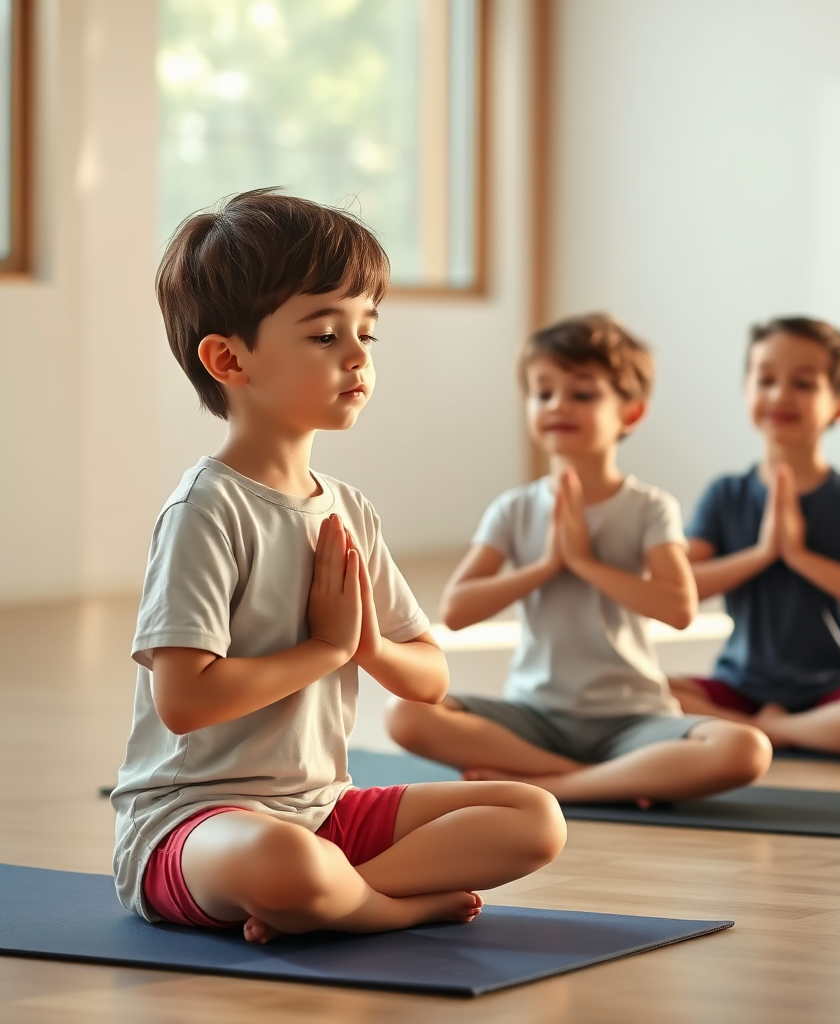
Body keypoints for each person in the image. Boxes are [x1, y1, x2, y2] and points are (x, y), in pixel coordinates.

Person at [111, 189, 566, 945]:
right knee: (285, 862)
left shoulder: (348, 509)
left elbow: (431, 677)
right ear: (230, 359)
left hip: (325, 810)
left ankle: (333, 900)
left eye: (366, 333)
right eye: (325, 335)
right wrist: (321, 651)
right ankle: (383, 905)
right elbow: (184, 701)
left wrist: (367, 647)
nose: (357, 356)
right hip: (196, 827)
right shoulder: (206, 510)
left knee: (534, 817)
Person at [386, 314, 772, 805]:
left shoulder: (649, 507)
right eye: (543, 393)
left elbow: (679, 608)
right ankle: (599, 779)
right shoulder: (515, 508)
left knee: (744, 748)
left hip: (635, 719)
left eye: (582, 394)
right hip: (536, 719)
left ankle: (554, 785)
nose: (558, 405)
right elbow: (459, 612)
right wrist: (546, 566)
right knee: (406, 713)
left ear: (630, 413)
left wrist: (586, 562)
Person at [669, 317, 840, 754]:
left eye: (803, 384)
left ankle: (770, 732)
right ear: (747, 389)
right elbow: (680, 589)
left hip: (833, 690)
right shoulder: (725, 493)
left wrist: (799, 555)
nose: (779, 396)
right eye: (765, 379)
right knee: (646, 692)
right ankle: (771, 729)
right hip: (741, 685)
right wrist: (762, 553)